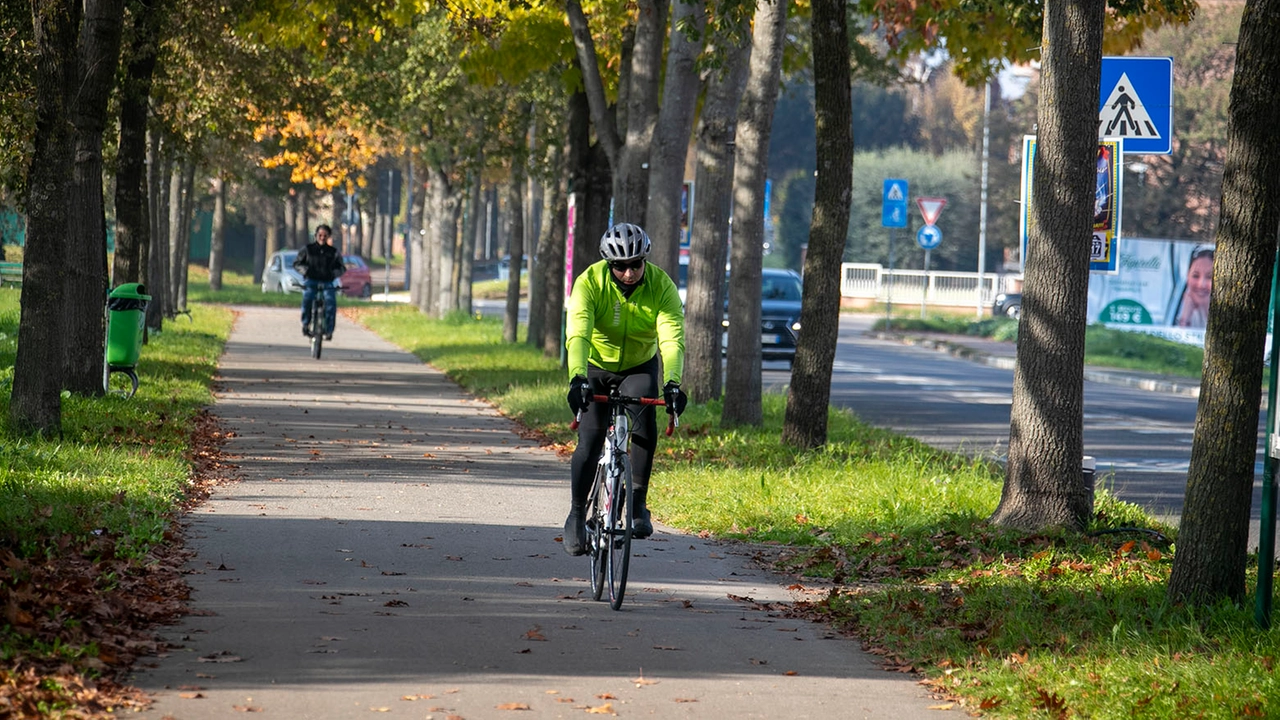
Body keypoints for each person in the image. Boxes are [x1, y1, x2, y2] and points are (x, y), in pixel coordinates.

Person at [563, 223, 687, 555]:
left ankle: (637, 504)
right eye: (620, 266)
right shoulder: (590, 282)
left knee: (645, 420)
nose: (629, 272)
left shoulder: (661, 286)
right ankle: (576, 515)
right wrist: (577, 378)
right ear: (608, 264)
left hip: (638, 366)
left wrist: (673, 382)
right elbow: (578, 333)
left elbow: (671, 339)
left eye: (635, 264)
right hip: (596, 365)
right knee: (589, 441)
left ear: (645, 260)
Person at [294, 225, 345, 340]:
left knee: (330, 302)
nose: (322, 238)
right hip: (311, 281)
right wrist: (306, 271)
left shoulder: (333, 252)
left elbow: (341, 267)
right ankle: (306, 324)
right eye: (320, 235)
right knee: (307, 298)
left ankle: (329, 330)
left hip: (327, 283)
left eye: (325, 235)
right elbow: (297, 263)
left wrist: (333, 274)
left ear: (328, 237)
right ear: (316, 235)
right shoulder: (307, 249)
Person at [1174, 245, 1214, 328]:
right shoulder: (1177, 308)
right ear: (1187, 276)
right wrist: (1185, 318)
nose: (1201, 284)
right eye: (1195, 276)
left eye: (1209, 277)